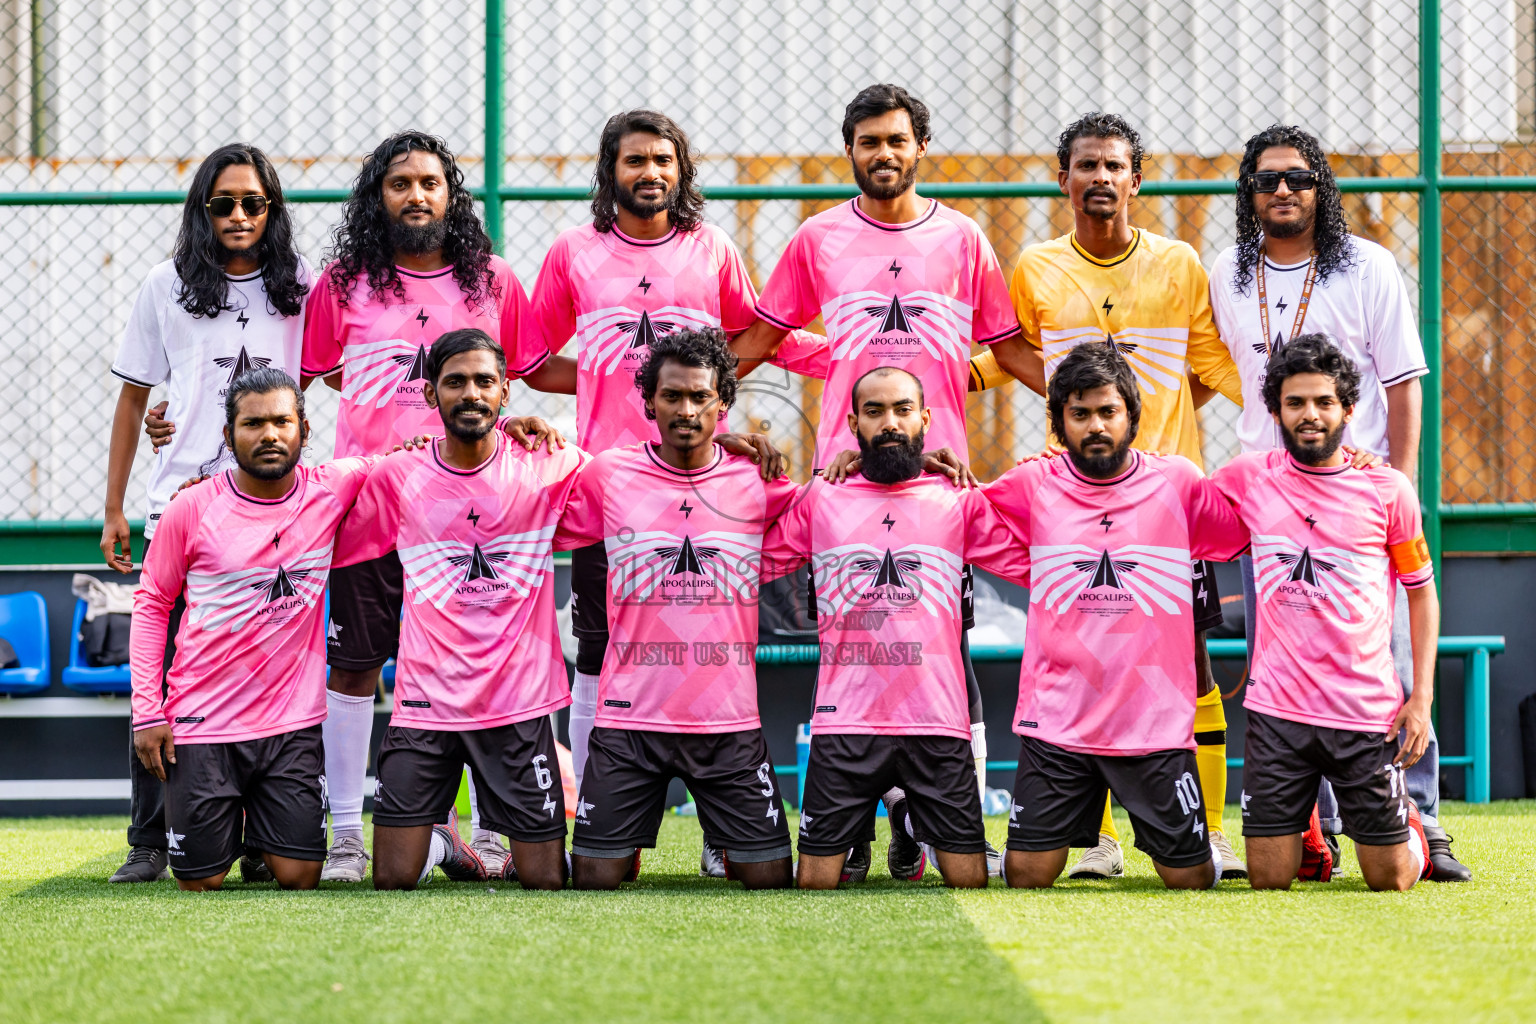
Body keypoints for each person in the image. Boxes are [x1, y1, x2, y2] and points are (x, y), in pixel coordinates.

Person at [528, 109, 826, 877]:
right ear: (611, 171)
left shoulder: (712, 248)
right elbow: (531, 363)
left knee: (713, 643)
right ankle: (592, 812)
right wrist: (603, 384)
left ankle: (723, 834)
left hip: (706, 490)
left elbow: (752, 341)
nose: (649, 172)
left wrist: (707, 419)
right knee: (596, 656)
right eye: (634, 161)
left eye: (663, 159)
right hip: (616, 498)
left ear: (679, 171)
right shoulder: (573, 254)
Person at [732, 83, 1019, 880]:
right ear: (850, 150)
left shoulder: (963, 240)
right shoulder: (817, 238)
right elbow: (767, 333)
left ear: (919, 146)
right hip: (846, 485)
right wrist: (725, 402)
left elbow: (1005, 344)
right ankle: (861, 817)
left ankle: (947, 817)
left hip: (939, 485)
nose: (883, 153)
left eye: (897, 140)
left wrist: (1079, 393)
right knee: (854, 645)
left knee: (944, 649)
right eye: (868, 141)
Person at [978, 112, 1246, 879]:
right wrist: (950, 380)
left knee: (1188, 664)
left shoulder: (1178, 264)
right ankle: (1095, 842)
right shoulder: (1036, 266)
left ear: (1137, 178)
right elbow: (1009, 353)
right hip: (1076, 502)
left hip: (1164, 511)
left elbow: (1210, 360)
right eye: (1085, 166)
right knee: (1087, 655)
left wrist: (1274, 414)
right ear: (1063, 179)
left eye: (1113, 166)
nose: (1100, 178)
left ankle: (1212, 830)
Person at [1207, 124, 1468, 881]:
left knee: (1379, 661)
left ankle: (1418, 812)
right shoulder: (1229, 269)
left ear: (1322, 186)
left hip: (1356, 497)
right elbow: (1210, 369)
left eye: (1297, 178)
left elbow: (1402, 384)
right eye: (1265, 180)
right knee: (1282, 662)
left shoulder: (1369, 267)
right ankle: (1310, 825)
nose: (1281, 191)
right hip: (1267, 503)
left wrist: (1401, 479)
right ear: (1248, 194)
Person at [300, 130, 557, 881]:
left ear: (452, 194)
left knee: (485, 666)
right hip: (373, 514)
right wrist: (386, 435)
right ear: (377, 197)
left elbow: (515, 376)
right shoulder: (343, 282)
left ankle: (494, 833)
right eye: (400, 183)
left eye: (430, 182)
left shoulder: (494, 279)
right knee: (353, 669)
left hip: (472, 516)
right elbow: (316, 376)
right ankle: (347, 832)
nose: (417, 195)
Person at [102, 143, 312, 883]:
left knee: (263, 670)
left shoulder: (301, 287)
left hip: (273, 507)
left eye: (253, 202)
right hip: (186, 505)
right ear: (201, 210)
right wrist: (115, 507)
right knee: (162, 669)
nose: (238, 215)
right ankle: (148, 839)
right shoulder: (166, 285)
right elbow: (135, 400)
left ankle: (259, 837)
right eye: (222, 203)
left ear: (272, 211)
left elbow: (335, 382)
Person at [985, 342, 1248, 890]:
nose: (1096, 425)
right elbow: (957, 511)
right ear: (1059, 423)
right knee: (1025, 876)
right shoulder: (1031, 483)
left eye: (1108, 411)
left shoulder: (1177, 482)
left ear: (1132, 415)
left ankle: (1197, 839)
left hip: (1151, 725)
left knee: (1191, 880)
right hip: (1057, 722)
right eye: (1079, 414)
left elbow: (1248, 525)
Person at [332, 329, 583, 890]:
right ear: (429, 395)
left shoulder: (547, 464)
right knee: (392, 879)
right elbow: (320, 512)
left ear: (506, 393)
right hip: (426, 705)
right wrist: (215, 492)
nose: (471, 394)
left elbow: (641, 479)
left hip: (518, 704)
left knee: (545, 881)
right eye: (455, 382)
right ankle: (445, 840)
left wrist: (724, 450)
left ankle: (509, 835)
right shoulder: (399, 477)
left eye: (484, 382)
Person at [763, 367, 1024, 889]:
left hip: (937, 725)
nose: (890, 422)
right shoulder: (822, 497)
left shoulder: (958, 498)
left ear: (925, 419)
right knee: (814, 884)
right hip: (845, 726)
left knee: (971, 881)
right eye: (875, 411)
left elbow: (1035, 555)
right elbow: (753, 551)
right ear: (852, 422)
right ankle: (882, 824)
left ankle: (907, 824)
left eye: (903, 410)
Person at [556, 328, 797, 890]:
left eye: (700, 397)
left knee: (768, 878)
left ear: (722, 405)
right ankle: (622, 839)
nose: (685, 410)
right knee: (593, 877)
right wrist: (523, 434)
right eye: (672, 397)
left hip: (727, 720)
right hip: (629, 719)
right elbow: (532, 507)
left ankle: (727, 837)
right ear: (649, 403)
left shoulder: (757, 480)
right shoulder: (608, 474)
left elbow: (829, 509)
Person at [130, 369, 376, 890]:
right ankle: (241, 829)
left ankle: (264, 834)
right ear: (228, 436)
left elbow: (417, 454)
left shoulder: (331, 489)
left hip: (291, 727)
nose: (269, 434)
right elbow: (152, 605)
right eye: (253, 423)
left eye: (283, 421)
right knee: (202, 882)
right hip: (204, 724)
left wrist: (512, 429)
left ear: (304, 431)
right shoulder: (191, 508)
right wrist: (147, 712)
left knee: (301, 875)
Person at [1212, 335, 1435, 891]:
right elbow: (1165, 496)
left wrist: (1421, 698)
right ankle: (1307, 830)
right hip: (1276, 715)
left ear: (1348, 410)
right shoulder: (1247, 477)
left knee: (1389, 880)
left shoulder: (1388, 490)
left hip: (1365, 717)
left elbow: (1421, 592)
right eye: (1295, 403)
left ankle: (1413, 833)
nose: (1309, 415)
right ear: (1275, 411)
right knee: (1268, 880)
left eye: (1323, 402)